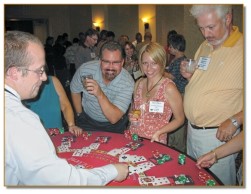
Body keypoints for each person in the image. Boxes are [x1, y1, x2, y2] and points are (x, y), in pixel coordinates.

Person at [5, 31, 128, 185]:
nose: (44, 78)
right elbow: (62, 181)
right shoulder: (21, 120)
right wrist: (112, 171)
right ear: (14, 73)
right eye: (39, 71)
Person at [180, 5, 243, 185]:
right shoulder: (205, 45)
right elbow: (206, 80)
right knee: (196, 180)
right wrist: (191, 76)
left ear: (228, 18)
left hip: (217, 136)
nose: (206, 34)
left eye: (210, 27)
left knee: (217, 183)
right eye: (201, 28)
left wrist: (236, 119)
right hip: (193, 130)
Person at [70, 40, 135, 134]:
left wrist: (99, 93)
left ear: (122, 62)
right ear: (100, 61)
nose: (110, 67)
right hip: (87, 121)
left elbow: (114, 118)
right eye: (106, 62)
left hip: (114, 126)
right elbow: (74, 90)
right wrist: (80, 114)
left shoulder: (128, 82)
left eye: (115, 62)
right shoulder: (85, 70)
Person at [127, 42, 184, 145]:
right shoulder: (139, 83)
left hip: (155, 141)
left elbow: (180, 119)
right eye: (145, 63)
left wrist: (160, 132)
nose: (149, 69)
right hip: (134, 138)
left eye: (154, 63)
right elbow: (134, 110)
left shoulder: (168, 88)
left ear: (161, 63)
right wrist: (131, 116)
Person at [165, 34, 188, 152]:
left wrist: (159, 71)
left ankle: (178, 149)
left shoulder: (180, 61)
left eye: (170, 46)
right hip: (177, 94)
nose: (169, 48)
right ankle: (173, 145)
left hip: (180, 95)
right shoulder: (178, 59)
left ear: (175, 46)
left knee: (178, 121)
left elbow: (171, 77)